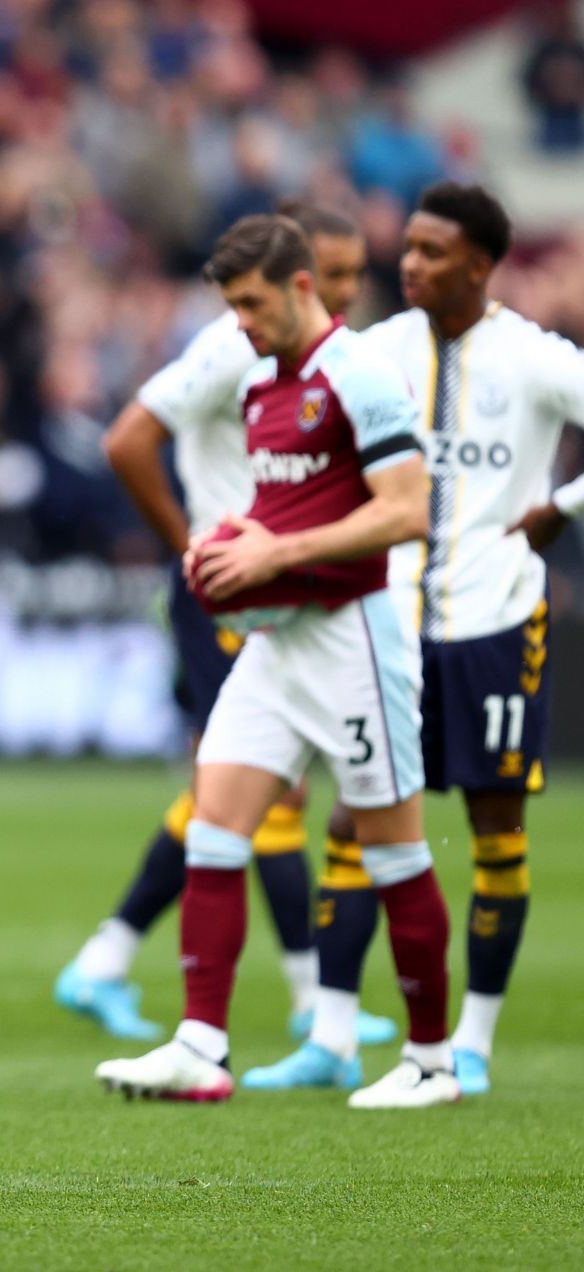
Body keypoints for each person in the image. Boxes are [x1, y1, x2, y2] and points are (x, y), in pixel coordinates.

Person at [94, 214, 456, 1109]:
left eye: (253, 305)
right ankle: (199, 1044)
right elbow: (292, 501)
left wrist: (275, 554)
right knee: (216, 824)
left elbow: (408, 511)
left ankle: (433, 1062)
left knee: (395, 852)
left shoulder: (362, 372)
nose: (241, 325)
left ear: (301, 287)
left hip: (353, 640)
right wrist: (241, 536)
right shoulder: (264, 379)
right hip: (278, 641)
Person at [262, 183, 584, 1096]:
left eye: (432, 251)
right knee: (352, 816)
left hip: (492, 623)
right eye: (406, 246)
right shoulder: (372, 354)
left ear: (480, 266)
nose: (408, 263)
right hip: (386, 624)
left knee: (495, 828)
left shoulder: (532, 357)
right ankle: (330, 1033)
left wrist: (561, 506)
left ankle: (473, 1042)